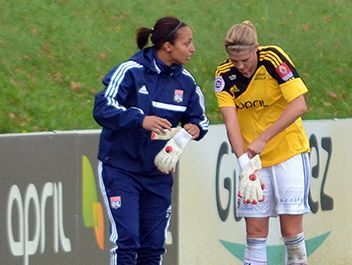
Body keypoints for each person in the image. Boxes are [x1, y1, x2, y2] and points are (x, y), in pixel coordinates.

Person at [93, 16, 209, 265]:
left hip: (158, 174)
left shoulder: (186, 82)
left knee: (153, 245)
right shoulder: (130, 71)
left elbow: (201, 120)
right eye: (187, 43)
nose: (193, 48)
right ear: (168, 46)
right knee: (127, 241)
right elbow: (103, 107)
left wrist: (194, 128)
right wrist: (140, 119)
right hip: (121, 169)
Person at [214, 20, 310, 265]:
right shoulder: (224, 75)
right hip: (254, 164)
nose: (241, 66)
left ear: (256, 48)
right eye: (235, 61)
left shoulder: (273, 58)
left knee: (291, 231)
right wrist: (243, 162)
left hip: (288, 153)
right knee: (255, 233)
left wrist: (263, 138)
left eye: (245, 59)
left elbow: (299, 105)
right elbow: (231, 123)